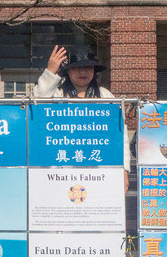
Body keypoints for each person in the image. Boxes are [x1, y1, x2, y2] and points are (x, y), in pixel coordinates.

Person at [34, 45, 131, 187]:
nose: (82, 71)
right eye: (76, 67)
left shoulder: (106, 97)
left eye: (88, 67)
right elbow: (37, 106)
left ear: (94, 70)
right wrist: (50, 72)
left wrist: (124, 170)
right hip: (62, 171)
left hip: (100, 170)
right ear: (67, 71)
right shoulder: (57, 95)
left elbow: (120, 137)